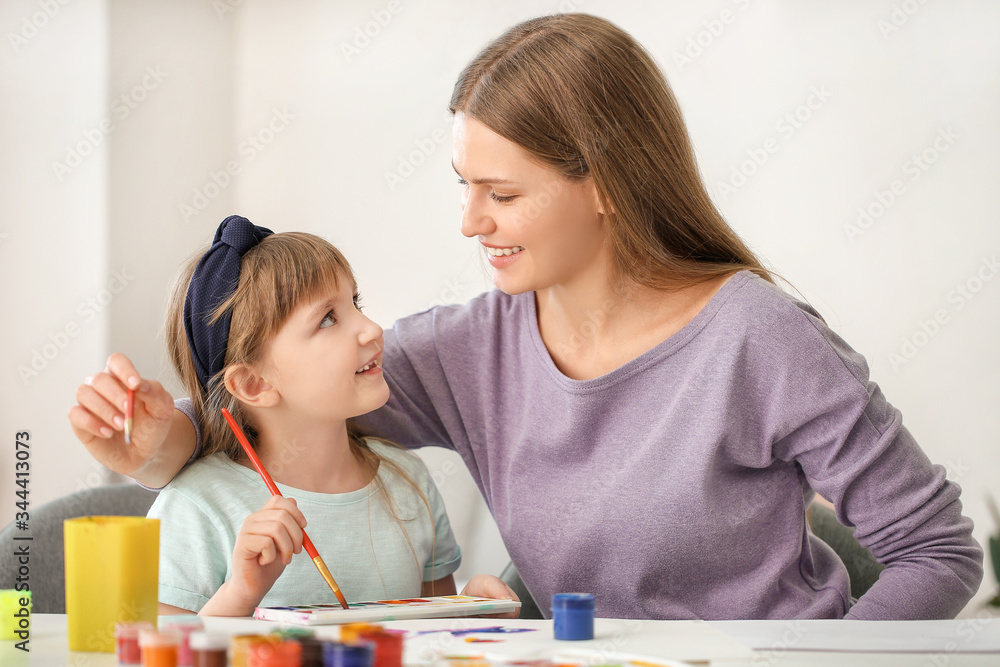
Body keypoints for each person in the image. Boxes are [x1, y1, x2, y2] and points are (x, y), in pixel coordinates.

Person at [70, 14, 982, 620]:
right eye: (465, 187)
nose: (470, 222)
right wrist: (153, 444)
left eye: (501, 193)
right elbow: (269, 406)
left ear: (608, 187)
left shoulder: (759, 337)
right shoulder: (470, 351)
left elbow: (935, 549)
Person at [115, 216, 474, 616]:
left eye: (355, 303)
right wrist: (241, 593)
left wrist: (480, 609)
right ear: (254, 384)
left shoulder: (412, 482)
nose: (372, 328)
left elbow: (436, 634)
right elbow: (161, 658)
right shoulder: (196, 508)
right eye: (327, 319)